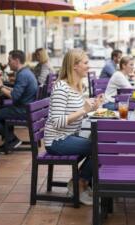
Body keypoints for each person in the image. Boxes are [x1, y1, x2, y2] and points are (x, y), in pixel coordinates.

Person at [44, 49, 102, 205]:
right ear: (74, 66)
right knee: (101, 147)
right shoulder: (61, 88)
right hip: (57, 141)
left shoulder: (77, 87)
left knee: (103, 142)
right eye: (85, 63)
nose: (88, 66)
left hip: (69, 136)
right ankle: (80, 183)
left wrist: (92, 108)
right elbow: (56, 121)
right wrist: (84, 110)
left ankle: (79, 181)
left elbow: (76, 114)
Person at [0, 50, 38, 149]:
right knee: (1, 110)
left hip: (23, 110)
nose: (8, 63)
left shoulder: (22, 75)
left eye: (9, 60)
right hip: (28, 108)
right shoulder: (26, 72)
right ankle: (11, 140)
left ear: (16, 61)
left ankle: (12, 139)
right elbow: (18, 91)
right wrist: (4, 86)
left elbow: (14, 96)